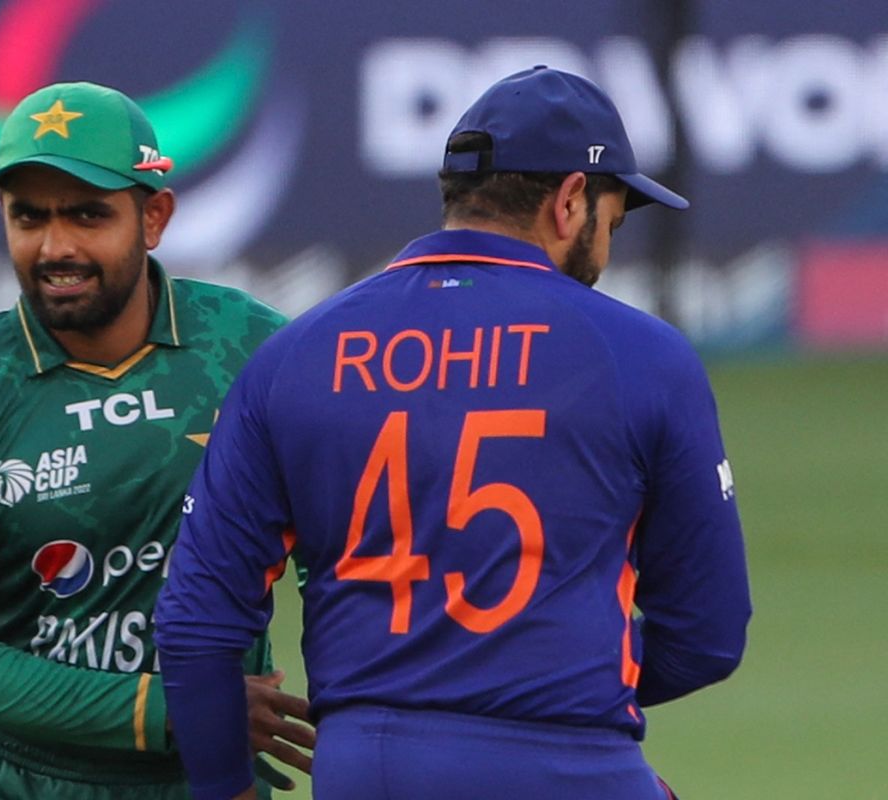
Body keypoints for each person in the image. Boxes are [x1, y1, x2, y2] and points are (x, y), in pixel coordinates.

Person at [154, 65, 752, 800]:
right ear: (570, 201)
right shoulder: (645, 356)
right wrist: (561, 692)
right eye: (612, 221)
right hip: (570, 766)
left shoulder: (292, 357)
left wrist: (226, 790)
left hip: (364, 768)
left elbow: (195, 625)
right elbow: (710, 634)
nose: (606, 244)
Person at [0, 81, 314, 800]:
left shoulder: (252, 350)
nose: (56, 247)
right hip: (15, 784)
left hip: (205, 783)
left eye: (89, 215)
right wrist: (177, 706)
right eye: (29, 217)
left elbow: (342, 558)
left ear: (155, 217)